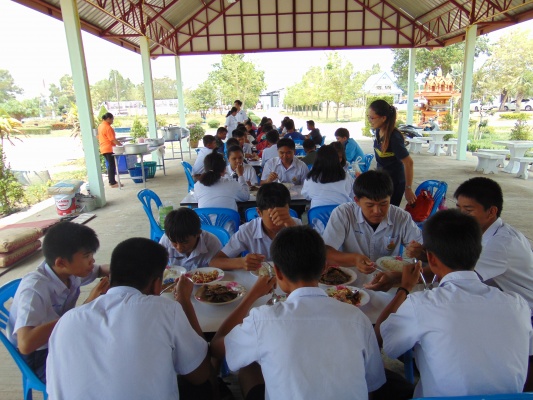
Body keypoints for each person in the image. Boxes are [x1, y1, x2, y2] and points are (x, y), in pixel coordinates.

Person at [210, 226, 386, 400]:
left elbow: (217, 348)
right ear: (325, 267)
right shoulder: (358, 319)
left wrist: (251, 296)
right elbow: (371, 383)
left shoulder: (263, 320)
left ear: (277, 272)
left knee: (249, 363)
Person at [375, 210, 533, 398]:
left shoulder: (422, 304)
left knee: (378, 377)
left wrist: (404, 288)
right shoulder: (518, 305)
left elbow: (384, 341)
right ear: (478, 252)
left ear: (431, 259)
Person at [46, 238, 212, 399]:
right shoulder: (165, 309)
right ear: (157, 285)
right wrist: (183, 299)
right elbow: (201, 374)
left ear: (109, 277)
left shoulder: (66, 321)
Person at [7, 222, 110, 383]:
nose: (92, 261)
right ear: (61, 263)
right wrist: (86, 305)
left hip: (59, 337)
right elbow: (26, 344)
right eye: (86, 256)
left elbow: (100, 270)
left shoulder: (69, 272)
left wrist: (123, 269)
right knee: (100, 367)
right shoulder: (34, 289)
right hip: (40, 355)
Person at [323, 170, 422, 274]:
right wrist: (354, 259)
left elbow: (425, 250)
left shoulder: (401, 217)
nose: (377, 211)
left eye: (383, 204)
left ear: (390, 198)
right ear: (357, 201)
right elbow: (326, 252)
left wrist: (419, 251)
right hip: (352, 276)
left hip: (389, 278)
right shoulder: (343, 213)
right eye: (370, 205)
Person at [210, 183, 300, 271]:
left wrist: (294, 230)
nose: (279, 222)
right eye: (272, 217)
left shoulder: (296, 225)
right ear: (259, 213)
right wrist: (241, 262)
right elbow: (215, 262)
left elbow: (308, 259)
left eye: (283, 215)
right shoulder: (248, 230)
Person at [369, 99, 416, 206]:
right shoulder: (378, 131)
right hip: (382, 181)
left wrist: (408, 188)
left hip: (394, 183)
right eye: (368, 117)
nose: (370, 120)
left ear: (383, 118)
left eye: (372, 118)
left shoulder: (394, 137)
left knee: (387, 213)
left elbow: (409, 163)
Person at [301, 145, 353, 209]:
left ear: (317, 159)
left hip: (318, 214)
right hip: (342, 213)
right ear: (336, 159)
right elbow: (353, 196)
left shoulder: (311, 178)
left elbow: (306, 196)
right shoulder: (346, 177)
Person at [97, 112, 122, 188]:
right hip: (109, 148)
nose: (112, 121)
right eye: (112, 119)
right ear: (108, 119)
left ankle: (112, 181)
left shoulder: (100, 126)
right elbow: (112, 139)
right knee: (112, 165)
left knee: (110, 165)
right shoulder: (107, 127)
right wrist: (121, 145)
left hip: (103, 148)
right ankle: (112, 182)